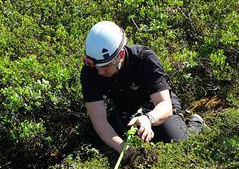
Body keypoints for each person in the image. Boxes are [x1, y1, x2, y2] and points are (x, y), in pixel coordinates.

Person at [80, 21, 202, 160]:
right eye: (96, 66)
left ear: (120, 55)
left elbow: (165, 105)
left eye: (105, 66)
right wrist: (123, 148)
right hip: (126, 112)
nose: (100, 71)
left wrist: (148, 119)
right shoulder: (90, 71)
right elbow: (99, 121)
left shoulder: (144, 58)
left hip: (156, 107)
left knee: (179, 148)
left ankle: (195, 124)